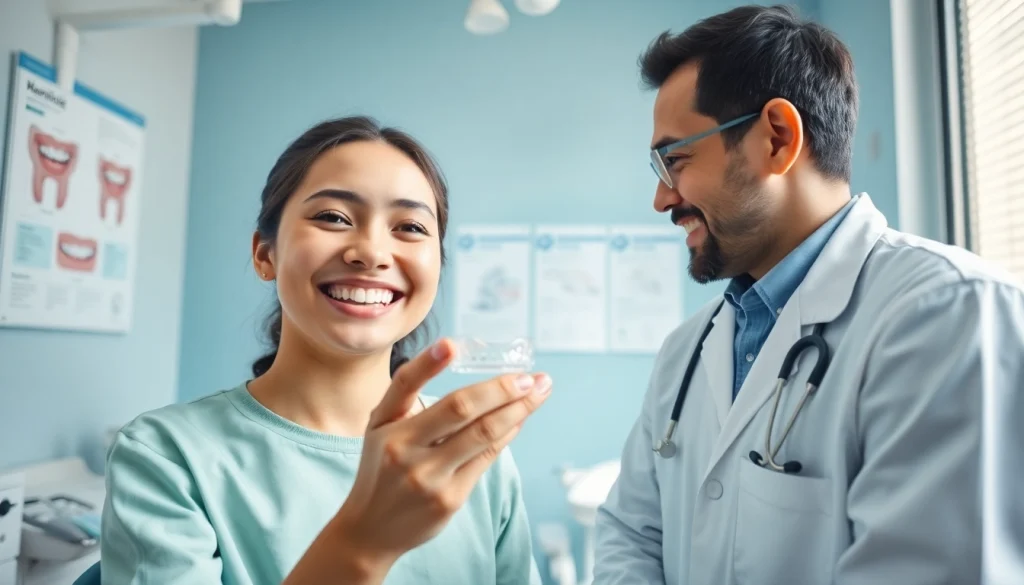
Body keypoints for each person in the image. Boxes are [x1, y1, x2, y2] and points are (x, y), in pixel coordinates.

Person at [592, 5, 1024, 585]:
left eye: (675, 161)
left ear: (777, 137)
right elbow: (629, 533)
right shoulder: (686, 351)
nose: (661, 199)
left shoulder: (948, 314)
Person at [99, 116, 551, 585]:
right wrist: (365, 540)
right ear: (264, 254)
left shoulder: (472, 454)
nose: (372, 252)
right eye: (333, 217)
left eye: (411, 227)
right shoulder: (166, 455)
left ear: (438, 266)